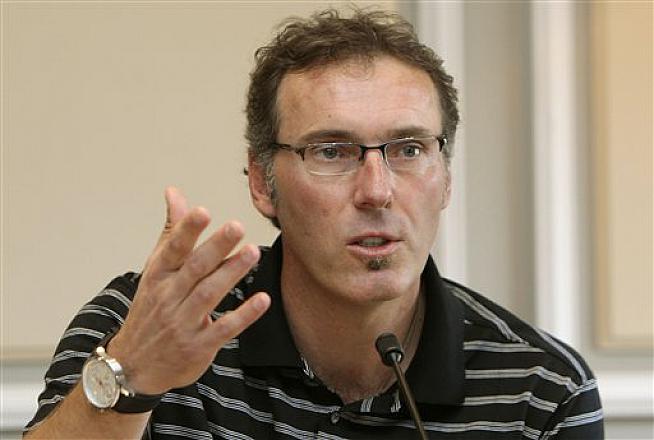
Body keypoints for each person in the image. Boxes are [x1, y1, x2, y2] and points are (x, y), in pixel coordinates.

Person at [24, 8, 603, 439]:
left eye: (408, 149)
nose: (377, 190)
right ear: (261, 183)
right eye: (331, 152)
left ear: (446, 178)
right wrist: (133, 380)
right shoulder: (148, 325)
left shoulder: (541, 388)